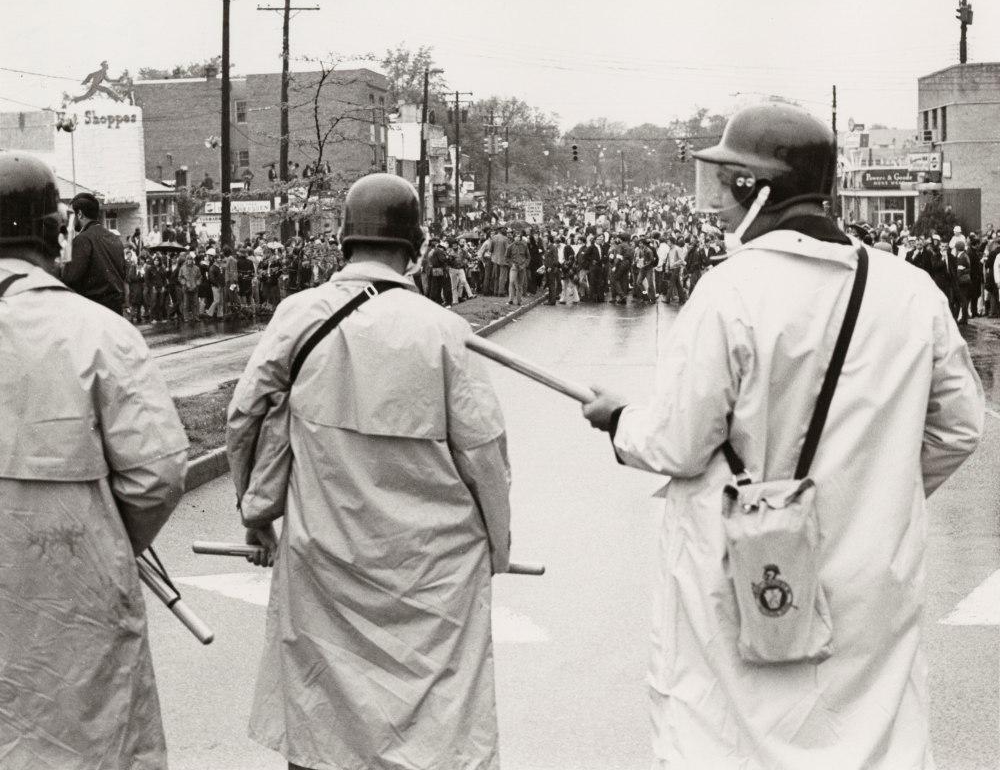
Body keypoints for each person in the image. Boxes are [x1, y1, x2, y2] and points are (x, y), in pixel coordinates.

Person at [581, 103, 984, 770]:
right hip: (869, 579)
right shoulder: (912, 292)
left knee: (730, 737)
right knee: (871, 735)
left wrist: (622, 420)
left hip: (745, 570)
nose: (716, 204)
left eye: (726, 183)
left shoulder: (730, 291)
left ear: (755, 189)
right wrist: (876, 489)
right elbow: (960, 426)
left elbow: (678, 442)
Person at [226, 173, 511, 770]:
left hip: (324, 559)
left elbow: (243, 419)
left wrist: (257, 515)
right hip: (432, 575)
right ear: (419, 244)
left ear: (343, 242)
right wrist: (497, 547)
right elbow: (485, 454)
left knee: (323, 720)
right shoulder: (443, 330)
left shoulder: (297, 316)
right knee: (434, 727)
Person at [0, 152, 188, 768]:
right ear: (55, 235)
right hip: (76, 590)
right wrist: (104, 537)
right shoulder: (102, 334)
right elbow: (157, 472)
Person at [61, 192, 126, 314]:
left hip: (94, 310)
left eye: (71, 214)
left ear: (79, 214)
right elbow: (122, 273)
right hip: (116, 310)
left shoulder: (82, 240)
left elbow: (70, 279)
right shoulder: (114, 238)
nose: (70, 219)